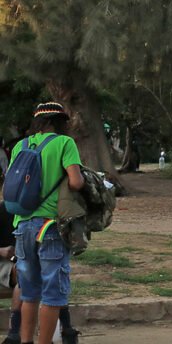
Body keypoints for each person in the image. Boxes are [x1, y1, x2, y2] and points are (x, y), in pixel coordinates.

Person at [8, 102, 84, 344]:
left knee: (29, 294)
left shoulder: (20, 145)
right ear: (58, 121)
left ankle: (26, 341)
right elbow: (76, 182)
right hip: (49, 226)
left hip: (22, 226)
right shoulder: (64, 143)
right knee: (53, 294)